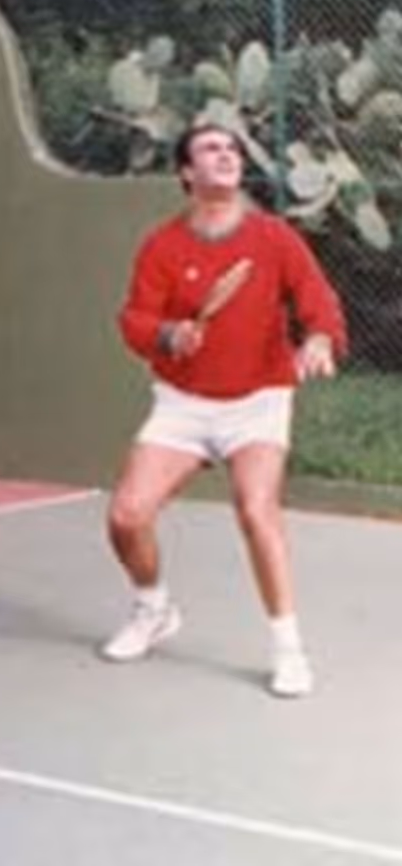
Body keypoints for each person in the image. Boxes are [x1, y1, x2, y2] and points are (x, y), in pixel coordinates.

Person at [102, 123, 347, 697]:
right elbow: (134, 320)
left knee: (256, 512)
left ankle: (289, 649)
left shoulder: (275, 238)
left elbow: (320, 306)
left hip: (258, 399)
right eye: (212, 149)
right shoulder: (162, 246)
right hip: (183, 404)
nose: (227, 155)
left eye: (233, 148)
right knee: (126, 516)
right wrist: (167, 336)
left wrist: (318, 340)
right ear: (187, 173)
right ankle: (153, 609)